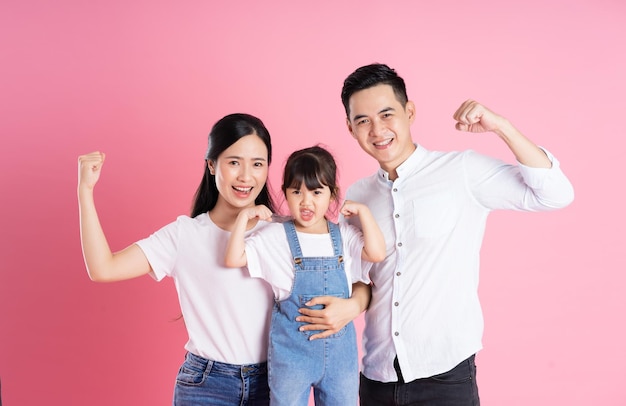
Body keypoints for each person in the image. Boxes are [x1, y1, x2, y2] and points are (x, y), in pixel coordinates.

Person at [77, 114, 365, 406]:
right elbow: (103, 268)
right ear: (211, 164)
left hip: (276, 381)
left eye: (257, 164)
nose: (245, 176)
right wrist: (85, 192)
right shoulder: (184, 235)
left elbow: (360, 277)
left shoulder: (285, 234)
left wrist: (353, 306)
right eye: (233, 162)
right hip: (205, 386)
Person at [339, 63, 575, 406]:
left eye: (387, 114)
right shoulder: (358, 196)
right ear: (350, 128)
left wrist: (501, 127)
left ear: (410, 112)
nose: (377, 130)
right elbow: (360, 280)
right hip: (377, 379)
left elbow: (555, 194)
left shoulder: (460, 171)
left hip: (445, 378)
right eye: (363, 121)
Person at [223, 145, 386, 405]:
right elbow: (233, 259)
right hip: (291, 358)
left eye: (316, 191)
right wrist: (244, 217)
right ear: (285, 193)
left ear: (332, 194)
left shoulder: (343, 236)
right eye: (296, 191)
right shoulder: (276, 236)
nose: (305, 201)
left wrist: (364, 213)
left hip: (340, 361)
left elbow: (377, 253)